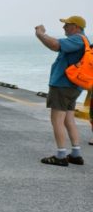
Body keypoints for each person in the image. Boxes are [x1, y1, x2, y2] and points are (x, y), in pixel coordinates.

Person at [35, 16, 88, 166]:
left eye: (67, 25)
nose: (64, 27)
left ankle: (60, 155)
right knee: (68, 119)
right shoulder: (83, 41)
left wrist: (41, 34)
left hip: (63, 86)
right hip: (73, 87)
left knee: (56, 120)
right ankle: (76, 154)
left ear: (76, 26)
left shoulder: (77, 39)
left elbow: (55, 45)